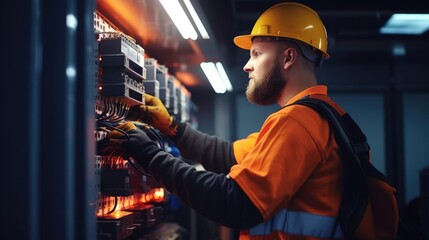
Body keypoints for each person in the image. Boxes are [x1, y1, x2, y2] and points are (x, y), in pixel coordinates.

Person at [99, 2, 394, 239]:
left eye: (256, 53)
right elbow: (227, 156)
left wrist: (148, 153)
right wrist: (172, 127)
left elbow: (236, 203)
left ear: (288, 58)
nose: (247, 65)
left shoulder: (300, 123)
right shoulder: (320, 117)